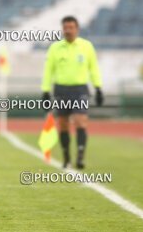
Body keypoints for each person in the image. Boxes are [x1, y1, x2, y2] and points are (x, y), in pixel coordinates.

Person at [41, 16, 103, 169]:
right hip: (61, 89)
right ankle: (66, 156)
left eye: (71, 27)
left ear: (77, 29)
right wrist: (45, 91)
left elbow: (93, 68)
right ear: (62, 29)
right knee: (62, 125)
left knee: (81, 120)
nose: (68, 30)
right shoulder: (55, 48)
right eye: (65, 28)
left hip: (80, 89)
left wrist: (98, 87)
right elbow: (48, 70)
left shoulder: (86, 46)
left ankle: (80, 155)